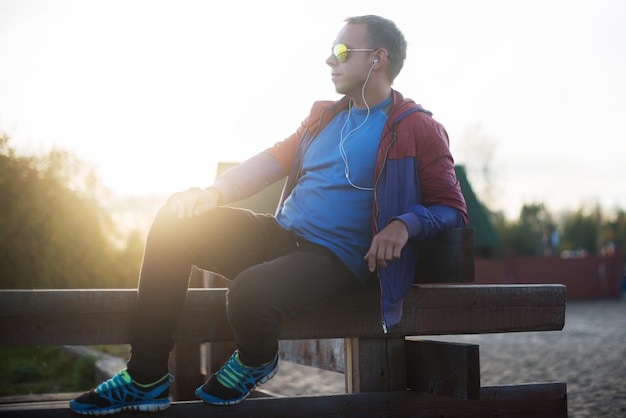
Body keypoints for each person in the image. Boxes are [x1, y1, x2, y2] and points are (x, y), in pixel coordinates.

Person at [69, 14, 467, 415]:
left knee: (248, 294)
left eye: (342, 52)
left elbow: (451, 207)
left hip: (335, 259)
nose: (330, 61)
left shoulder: (417, 127)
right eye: (331, 52)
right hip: (281, 234)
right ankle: (146, 378)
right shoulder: (324, 117)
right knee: (174, 222)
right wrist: (214, 193)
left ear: (378, 58)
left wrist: (403, 224)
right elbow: (274, 158)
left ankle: (258, 358)